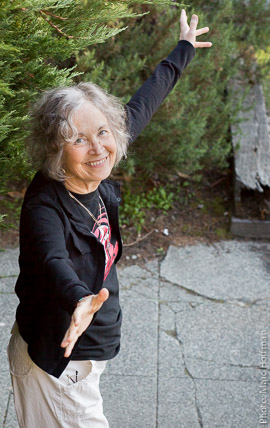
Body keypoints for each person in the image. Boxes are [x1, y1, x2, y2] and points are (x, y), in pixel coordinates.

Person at [7, 9, 212, 428]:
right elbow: (52, 259)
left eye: (102, 132)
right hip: (59, 368)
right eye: (78, 140)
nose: (98, 148)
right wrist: (79, 299)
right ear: (55, 151)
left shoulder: (101, 152)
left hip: (84, 354)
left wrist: (184, 49)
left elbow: (144, 101)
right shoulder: (45, 206)